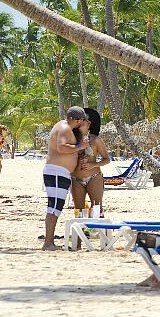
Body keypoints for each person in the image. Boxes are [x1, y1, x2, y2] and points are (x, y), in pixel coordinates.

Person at [42, 106, 88, 251]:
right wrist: (80, 146)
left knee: (56, 207)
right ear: (78, 120)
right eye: (82, 120)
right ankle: (48, 242)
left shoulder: (66, 128)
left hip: (60, 172)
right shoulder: (64, 127)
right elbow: (61, 147)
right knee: (54, 207)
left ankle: (49, 241)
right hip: (56, 171)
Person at [71, 108, 110, 218]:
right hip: (76, 178)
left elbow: (107, 159)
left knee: (97, 208)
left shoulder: (95, 140)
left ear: (89, 123)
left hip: (94, 177)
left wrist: (93, 164)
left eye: (82, 119)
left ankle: (99, 232)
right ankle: (81, 234)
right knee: (79, 210)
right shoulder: (72, 140)